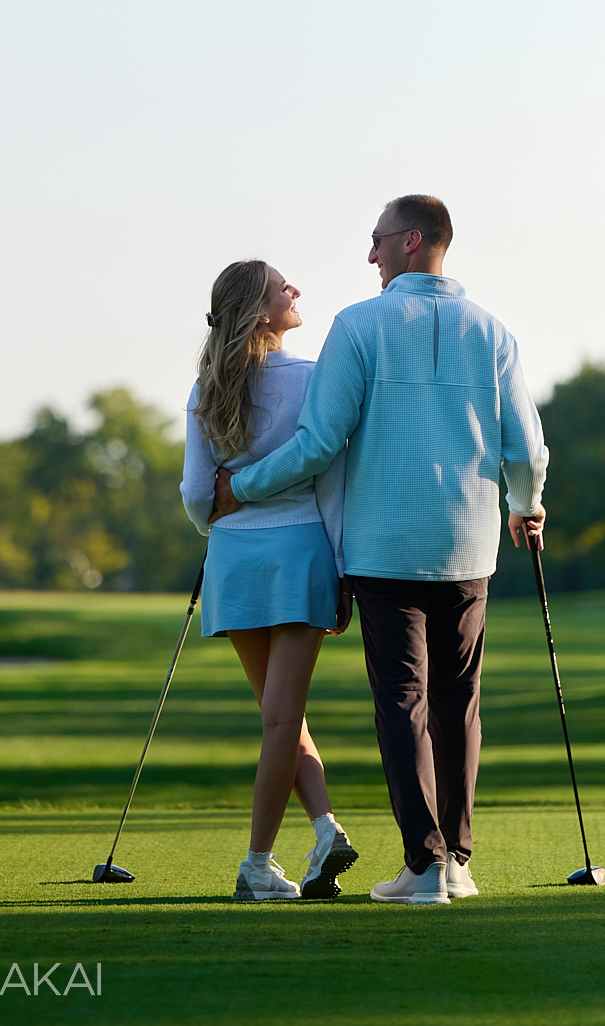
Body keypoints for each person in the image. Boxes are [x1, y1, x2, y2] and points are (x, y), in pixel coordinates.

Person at [211, 196, 548, 905]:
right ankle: (453, 861)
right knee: (459, 705)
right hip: (468, 547)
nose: (368, 255)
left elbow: (318, 443)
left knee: (403, 701)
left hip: (384, 548)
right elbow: (526, 446)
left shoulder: (357, 325)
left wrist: (242, 486)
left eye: (376, 241)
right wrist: (526, 506)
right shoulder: (492, 330)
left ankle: (424, 867)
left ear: (410, 241)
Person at [180, 259, 358, 902]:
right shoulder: (314, 379)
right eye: (284, 286)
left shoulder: (208, 384)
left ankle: (325, 831)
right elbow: (332, 484)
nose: (296, 291)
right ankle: (258, 864)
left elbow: (199, 493)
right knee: (282, 717)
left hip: (233, 560)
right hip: (302, 552)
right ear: (261, 312)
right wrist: (342, 568)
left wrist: (218, 524)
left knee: (281, 713)